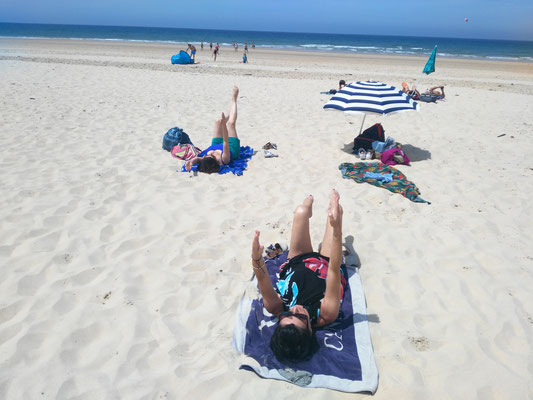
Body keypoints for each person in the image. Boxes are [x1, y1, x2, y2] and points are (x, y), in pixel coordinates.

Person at [251, 190, 345, 362]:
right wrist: (337, 230)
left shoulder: (276, 308)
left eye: (287, 316)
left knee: (301, 211)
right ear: (310, 330)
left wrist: (256, 258)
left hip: (297, 259)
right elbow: (333, 269)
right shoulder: (326, 313)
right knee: (337, 211)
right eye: (301, 317)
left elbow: (262, 278)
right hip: (326, 263)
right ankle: (332, 211)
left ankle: (309, 207)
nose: (295, 310)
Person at [185, 86, 241, 174]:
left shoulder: (205, 158)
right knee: (231, 124)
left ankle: (229, 114)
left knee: (218, 121)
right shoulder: (224, 159)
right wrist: (223, 126)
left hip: (216, 144)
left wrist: (191, 162)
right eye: (212, 156)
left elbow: (198, 159)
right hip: (231, 146)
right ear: (216, 161)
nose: (209, 154)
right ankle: (234, 100)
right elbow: (226, 141)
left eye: (207, 155)